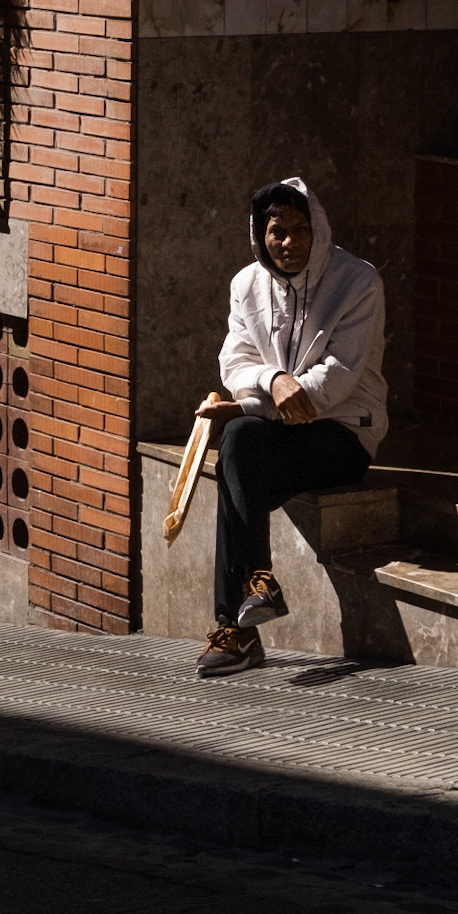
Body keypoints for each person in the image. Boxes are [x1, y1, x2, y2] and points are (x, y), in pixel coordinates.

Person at [193, 176, 387, 677]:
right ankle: (259, 584)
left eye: (301, 230)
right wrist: (270, 380)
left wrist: (249, 407)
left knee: (238, 466)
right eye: (277, 231)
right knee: (238, 446)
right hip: (277, 427)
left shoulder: (358, 282)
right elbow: (236, 362)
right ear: (260, 234)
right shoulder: (246, 284)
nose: (289, 242)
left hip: (344, 431)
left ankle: (236, 629)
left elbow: (332, 383)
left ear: (317, 230)